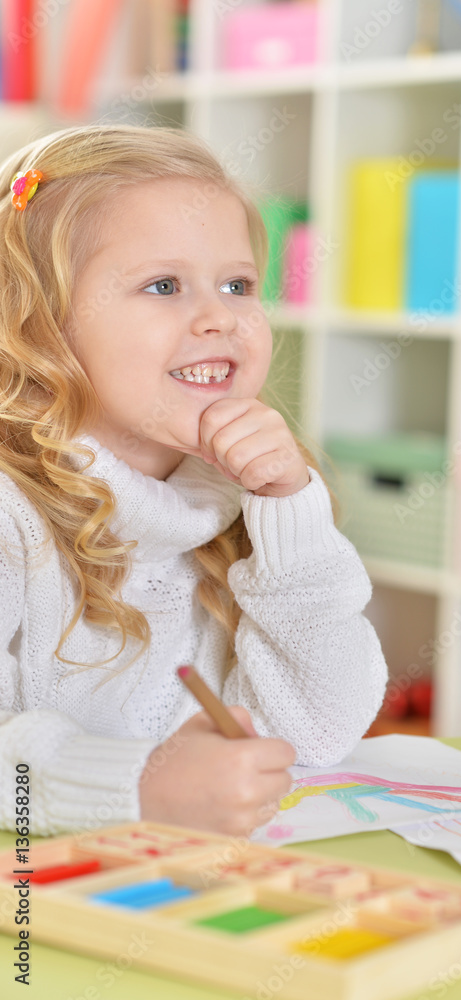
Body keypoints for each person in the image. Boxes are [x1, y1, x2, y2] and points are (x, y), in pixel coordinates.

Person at [0, 124, 388, 838]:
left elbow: (318, 730)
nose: (220, 317)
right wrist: (135, 789)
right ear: (42, 326)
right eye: (164, 285)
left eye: (238, 284)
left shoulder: (232, 500)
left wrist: (287, 513)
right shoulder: (9, 512)